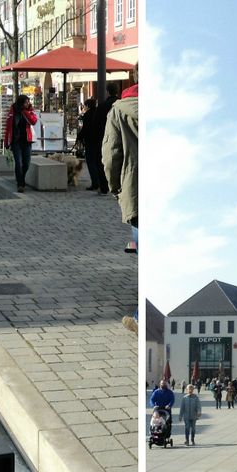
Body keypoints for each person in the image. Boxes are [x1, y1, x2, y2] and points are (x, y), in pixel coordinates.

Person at [103, 65, 139, 333]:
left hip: (138, 192)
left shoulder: (120, 110)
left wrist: (117, 189)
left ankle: (140, 316)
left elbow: (111, 156)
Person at [3, 94, 38, 193]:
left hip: (27, 140)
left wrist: (25, 111)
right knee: (18, 163)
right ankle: (20, 184)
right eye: (26, 102)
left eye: (28, 102)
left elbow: (34, 121)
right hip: (16, 141)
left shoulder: (30, 110)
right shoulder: (13, 111)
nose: (28, 103)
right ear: (21, 102)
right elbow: (8, 127)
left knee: (26, 163)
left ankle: (21, 178)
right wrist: (6, 141)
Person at [78, 97, 109, 194]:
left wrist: (79, 137)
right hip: (99, 140)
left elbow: (85, 128)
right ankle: (100, 182)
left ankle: (95, 182)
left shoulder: (88, 114)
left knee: (91, 162)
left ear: (87, 106)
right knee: (98, 161)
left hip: (90, 140)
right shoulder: (98, 112)